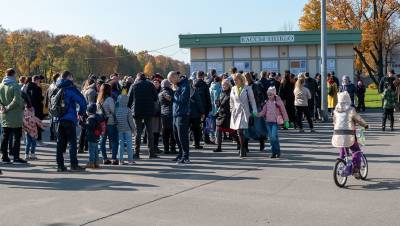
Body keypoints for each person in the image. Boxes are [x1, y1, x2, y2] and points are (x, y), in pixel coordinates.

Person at [55, 71, 87, 172]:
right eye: (72, 77)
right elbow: (82, 101)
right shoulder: (70, 88)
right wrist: (81, 113)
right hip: (69, 118)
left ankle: (60, 166)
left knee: (60, 143)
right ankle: (73, 164)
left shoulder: (55, 86)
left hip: (58, 118)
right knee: (72, 143)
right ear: (69, 77)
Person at [332, 91, 368, 179]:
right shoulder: (351, 110)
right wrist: (365, 125)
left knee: (343, 148)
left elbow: (334, 122)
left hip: (337, 134)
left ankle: (341, 160)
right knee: (356, 151)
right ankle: (356, 170)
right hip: (349, 135)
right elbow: (359, 119)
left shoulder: (335, 111)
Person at [128, 72, 159, 159]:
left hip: (136, 111)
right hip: (148, 111)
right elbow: (156, 98)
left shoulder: (134, 85)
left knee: (137, 132)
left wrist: (129, 109)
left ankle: (136, 153)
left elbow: (129, 100)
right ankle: (151, 153)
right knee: (150, 132)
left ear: (137, 78)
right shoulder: (151, 85)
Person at [0, 68, 27, 164]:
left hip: (4, 115)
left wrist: (3, 107)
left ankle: (4, 156)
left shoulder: (1, 85)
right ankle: (16, 157)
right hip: (15, 115)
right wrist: (8, 107)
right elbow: (17, 100)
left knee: (5, 136)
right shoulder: (15, 85)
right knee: (17, 137)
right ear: (13, 74)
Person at [230, 73, 258, 158]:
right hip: (236, 112)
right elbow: (231, 100)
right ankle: (243, 147)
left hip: (245, 112)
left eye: (236, 80)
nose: (235, 81)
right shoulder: (233, 88)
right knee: (237, 132)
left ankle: (242, 149)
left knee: (241, 131)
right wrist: (231, 109)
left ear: (241, 79)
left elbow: (252, 100)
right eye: (234, 80)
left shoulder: (247, 88)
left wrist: (254, 110)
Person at [258, 87, 289, 158]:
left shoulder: (278, 102)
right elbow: (263, 112)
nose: (269, 96)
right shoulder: (267, 102)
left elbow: (284, 111)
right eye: (268, 95)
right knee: (271, 138)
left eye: (271, 95)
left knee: (273, 137)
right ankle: (273, 152)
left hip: (275, 122)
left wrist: (286, 120)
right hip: (268, 122)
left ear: (274, 94)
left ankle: (277, 151)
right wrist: (257, 114)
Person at [168, 71, 191, 164]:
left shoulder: (185, 85)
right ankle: (181, 153)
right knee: (176, 136)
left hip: (182, 114)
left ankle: (186, 157)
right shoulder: (178, 85)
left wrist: (174, 94)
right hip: (175, 114)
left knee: (182, 136)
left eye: (171, 80)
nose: (170, 82)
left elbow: (183, 99)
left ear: (175, 77)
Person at [244, 72, 267, 152]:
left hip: (255, 108)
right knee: (246, 128)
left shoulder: (255, 85)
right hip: (247, 109)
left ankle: (262, 143)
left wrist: (259, 106)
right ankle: (245, 147)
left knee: (258, 127)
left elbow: (260, 97)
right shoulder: (243, 86)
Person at [97, 83, 119, 165]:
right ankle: (114, 158)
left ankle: (105, 158)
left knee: (102, 141)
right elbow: (113, 111)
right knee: (114, 141)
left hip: (102, 122)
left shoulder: (98, 99)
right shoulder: (109, 99)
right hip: (110, 121)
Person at [214, 79, 237, 152]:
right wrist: (217, 102)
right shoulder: (221, 92)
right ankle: (219, 147)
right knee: (218, 130)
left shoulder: (232, 93)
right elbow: (219, 101)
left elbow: (233, 103)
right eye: (222, 85)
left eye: (225, 85)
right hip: (221, 114)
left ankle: (239, 142)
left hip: (228, 115)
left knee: (231, 132)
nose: (223, 86)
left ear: (228, 85)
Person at [116, 94, 136, 165]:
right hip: (127, 129)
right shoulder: (128, 110)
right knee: (129, 144)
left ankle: (120, 160)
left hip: (119, 129)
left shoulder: (116, 109)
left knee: (120, 144)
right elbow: (130, 121)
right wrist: (134, 130)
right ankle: (130, 160)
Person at [194, 71, 212, 144]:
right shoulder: (205, 85)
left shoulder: (193, 85)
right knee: (206, 123)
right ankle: (206, 139)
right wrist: (210, 106)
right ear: (202, 76)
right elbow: (208, 97)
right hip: (204, 106)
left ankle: (197, 139)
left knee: (196, 124)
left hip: (195, 107)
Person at [159, 79, 176, 154]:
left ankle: (166, 148)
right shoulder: (171, 92)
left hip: (164, 114)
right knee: (172, 132)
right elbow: (172, 100)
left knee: (165, 132)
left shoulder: (160, 93)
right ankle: (172, 148)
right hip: (171, 113)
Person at [26, 75, 45, 144]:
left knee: (30, 124)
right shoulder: (38, 88)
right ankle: (38, 140)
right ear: (36, 80)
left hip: (29, 108)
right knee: (38, 124)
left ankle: (29, 141)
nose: (39, 82)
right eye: (39, 80)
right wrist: (43, 97)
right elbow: (40, 98)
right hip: (37, 108)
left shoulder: (27, 87)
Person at [189, 79, 205, 149]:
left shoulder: (182, 91)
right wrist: (202, 112)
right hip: (195, 114)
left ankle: (184, 144)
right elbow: (199, 103)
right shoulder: (195, 92)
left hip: (186, 114)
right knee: (196, 129)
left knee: (186, 129)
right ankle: (196, 143)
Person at [85, 103, 102, 169]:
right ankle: (96, 163)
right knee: (95, 151)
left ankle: (91, 163)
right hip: (96, 136)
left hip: (91, 136)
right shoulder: (97, 117)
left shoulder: (90, 118)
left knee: (91, 151)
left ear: (89, 111)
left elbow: (90, 127)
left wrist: (83, 124)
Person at [46, 73, 60, 141]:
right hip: (54, 105)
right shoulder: (56, 86)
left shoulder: (51, 85)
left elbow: (47, 95)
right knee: (55, 121)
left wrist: (46, 104)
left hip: (50, 105)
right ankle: (55, 135)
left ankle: (52, 135)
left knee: (51, 121)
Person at [209, 76, 222, 144]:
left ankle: (211, 137)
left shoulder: (210, 88)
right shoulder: (219, 88)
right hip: (217, 109)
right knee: (217, 124)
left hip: (211, 108)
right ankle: (217, 138)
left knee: (212, 123)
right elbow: (218, 99)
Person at [152, 77, 162, 154]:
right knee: (153, 131)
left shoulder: (161, 91)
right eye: (154, 83)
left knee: (157, 131)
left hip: (159, 113)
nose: (156, 84)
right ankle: (153, 147)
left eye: (157, 83)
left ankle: (156, 146)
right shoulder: (151, 91)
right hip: (153, 114)